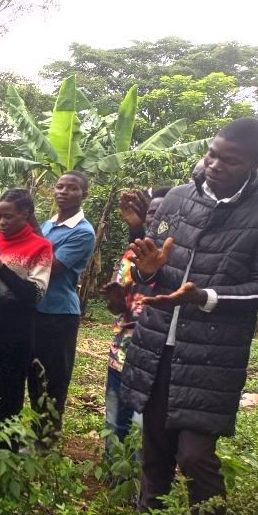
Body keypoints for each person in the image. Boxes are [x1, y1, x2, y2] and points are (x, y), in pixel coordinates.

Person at [121, 118, 258, 515]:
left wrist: (204, 297)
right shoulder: (176, 197)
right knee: (153, 449)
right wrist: (148, 273)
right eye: (213, 154)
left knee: (196, 455)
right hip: (157, 342)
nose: (215, 165)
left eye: (230, 160)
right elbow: (149, 271)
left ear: (256, 164)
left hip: (213, 352)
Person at [0, 189, 52, 425]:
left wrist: (1, 268)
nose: (1, 222)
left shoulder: (41, 247)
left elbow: (34, 295)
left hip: (15, 338)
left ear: (25, 215)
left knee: (8, 399)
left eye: (8, 217)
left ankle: (6, 454)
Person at [27, 171, 96, 449]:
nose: (63, 191)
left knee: (53, 379)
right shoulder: (50, 223)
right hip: (35, 308)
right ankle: (35, 435)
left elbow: (51, 266)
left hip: (58, 313)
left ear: (83, 195)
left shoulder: (83, 232)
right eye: (59, 186)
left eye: (72, 188)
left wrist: (30, 223)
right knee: (34, 375)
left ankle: (47, 442)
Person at [101, 187, 170, 455]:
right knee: (116, 420)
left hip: (158, 356)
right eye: (151, 213)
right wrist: (116, 299)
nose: (153, 220)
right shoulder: (131, 255)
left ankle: (143, 487)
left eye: (161, 214)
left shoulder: (183, 258)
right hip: (124, 352)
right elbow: (119, 309)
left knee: (146, 427)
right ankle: (114, 479)